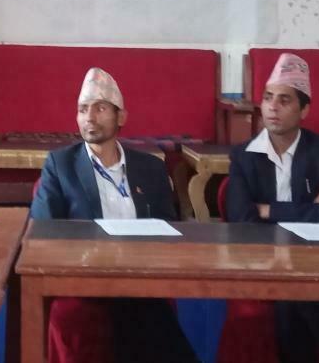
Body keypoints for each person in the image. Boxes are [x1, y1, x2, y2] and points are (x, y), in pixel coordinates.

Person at [30, 67, 198, 363]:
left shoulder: (150, 168)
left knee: (145, 312)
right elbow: (42, 232)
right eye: (83, 109)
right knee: (140, 319)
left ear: (121, 117)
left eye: (100, 108)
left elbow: (169, 230)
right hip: (85, 278)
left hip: (139, 278)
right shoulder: (61, 165)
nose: (89, 117)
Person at [225, 53, 319, 363]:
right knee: (296, 287)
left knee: (295, 286)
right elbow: (241, 218)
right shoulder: (243, 156)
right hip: (260, 254)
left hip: (312, 255)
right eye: (268, 98)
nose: (272, 107)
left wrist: (268, 211)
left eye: (284, 100)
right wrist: (308, 209)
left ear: (304, 110)